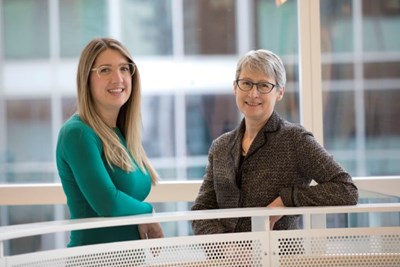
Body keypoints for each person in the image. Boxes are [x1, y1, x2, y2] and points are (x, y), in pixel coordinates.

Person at [191, 49, 359, 235]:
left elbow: (346, 189)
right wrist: (226, 247)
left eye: (264, 86)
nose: (253, 94)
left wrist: (286, 200)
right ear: (235, 87)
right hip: (226, 259)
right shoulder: (220, 146)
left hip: (281, 258)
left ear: (279, 92)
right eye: (246, 83)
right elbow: (202, 210)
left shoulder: (295, 139)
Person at [56, 37, 163, 247]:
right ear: (87, 79)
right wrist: (147, 212)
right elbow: (108, 203)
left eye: (124, 69)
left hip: (130, 258)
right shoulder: (77, 133)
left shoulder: (121, 133)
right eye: (105, 70)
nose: (118, 78)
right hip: (93, 259)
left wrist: (140, 215)